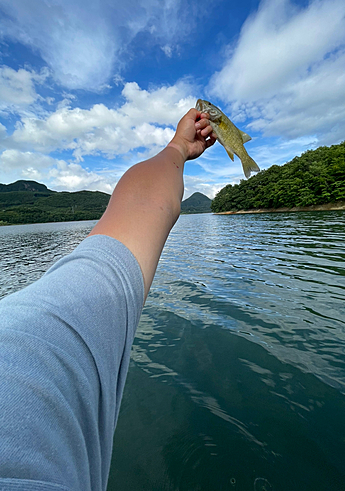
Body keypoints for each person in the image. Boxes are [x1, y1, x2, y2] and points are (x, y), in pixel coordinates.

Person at [0, 109, 216, 491]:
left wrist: (179, 145)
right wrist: (179, 147)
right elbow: (142, 208)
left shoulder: (35, 339)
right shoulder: (36, 343)